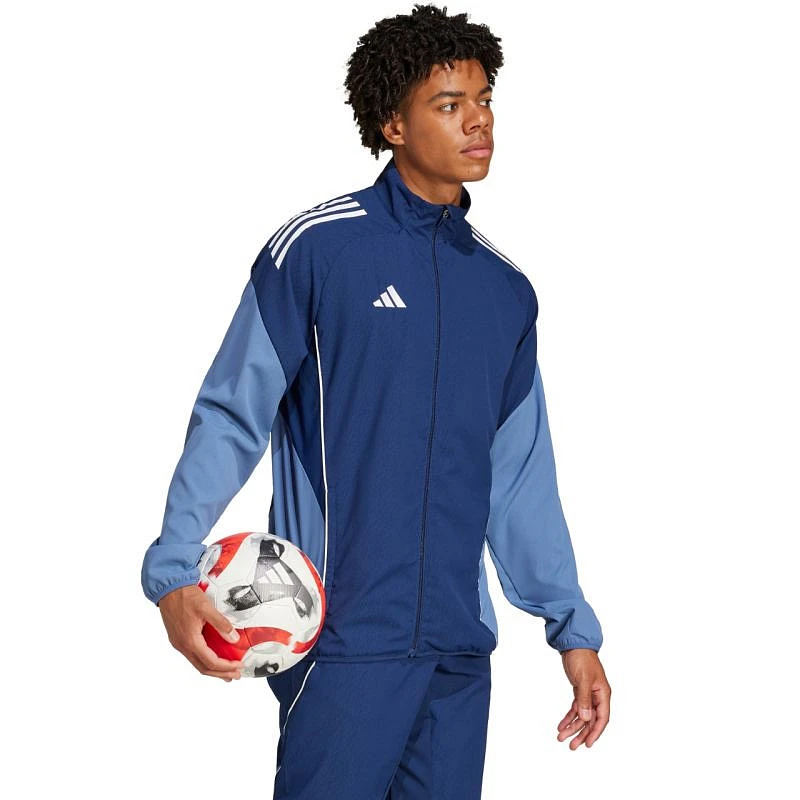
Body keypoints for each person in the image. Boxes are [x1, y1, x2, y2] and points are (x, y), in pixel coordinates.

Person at [141, 4, 611, 797]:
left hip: (458, 652)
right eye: (449, 104)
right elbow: (232, 415)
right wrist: (172, 564)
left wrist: (572, 629)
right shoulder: (318, 252)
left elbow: (518, 477)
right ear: (393, 124)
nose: (479, 120)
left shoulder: (506, 291)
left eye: (484, 99)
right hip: (342, 641)